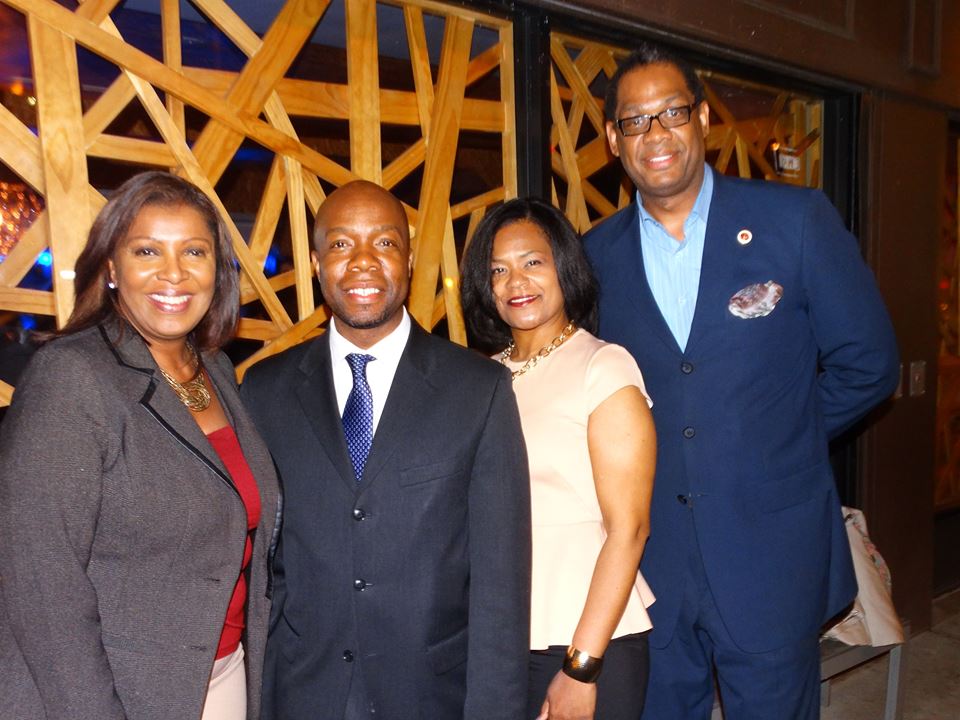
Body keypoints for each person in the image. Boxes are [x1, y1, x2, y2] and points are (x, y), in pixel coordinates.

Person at [583, 43, 900, 719]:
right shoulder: (594, 255)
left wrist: (778, 433)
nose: (656, 133)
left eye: (672, 112)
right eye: (635, 121)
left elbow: (869, 363)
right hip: (649, 561)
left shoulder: (796, 221)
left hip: (771, 553)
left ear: (701, 118)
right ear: (614, 139)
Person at [240, 180, 531, 720]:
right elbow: (260, 566)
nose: (364, 262)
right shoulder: (264, 390)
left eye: (385, 243)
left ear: (410, 257)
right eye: (343, 244)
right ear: (316, 261)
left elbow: (501, 583)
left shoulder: (478, 389)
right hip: (302, 692)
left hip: (431, 696)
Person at [0, 171, 280, 720]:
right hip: (114, 695)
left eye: (194, 251)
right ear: (110, 266)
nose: (173, 273)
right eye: (147, 250)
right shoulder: (72, 377)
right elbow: (42, 587)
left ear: (216, 270)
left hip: (222, 678)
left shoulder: (217, 370)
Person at [461, 198, 658, 720]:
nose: (515, 281)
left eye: (532, 262)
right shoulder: (481, 377)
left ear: (563, 267)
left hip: (585, 638)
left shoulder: (603, 365)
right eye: (498, 270)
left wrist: (581, 667)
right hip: (501, 635)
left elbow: (630, 528)